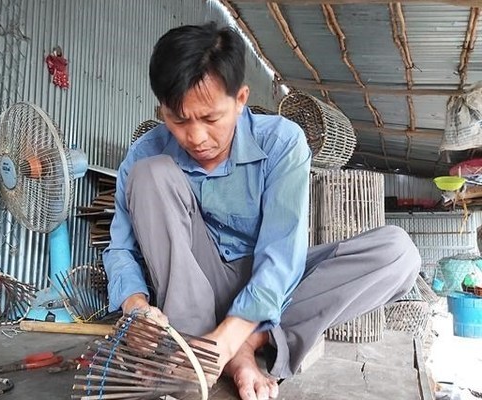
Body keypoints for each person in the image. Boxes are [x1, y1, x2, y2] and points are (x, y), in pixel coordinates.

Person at [103, 22, 420, 400]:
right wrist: (136, 309)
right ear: (162, 110)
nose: (196, 137)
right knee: (150, 174)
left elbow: (282, 257)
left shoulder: (281, 141)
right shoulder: (147, 153)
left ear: (240, 99)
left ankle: (243, 343)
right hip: (189, 289)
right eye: (178, 119)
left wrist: (231, 337)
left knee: (397, 253)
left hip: (269, 284)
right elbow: (121, 248)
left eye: (210, 118)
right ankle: (194, 349)